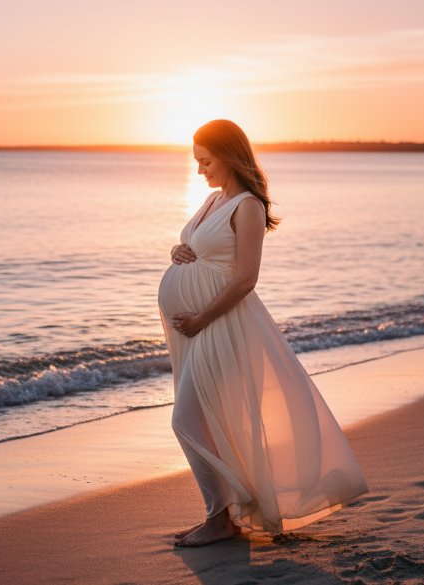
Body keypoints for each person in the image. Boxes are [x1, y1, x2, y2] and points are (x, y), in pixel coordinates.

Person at [157, 120, 368, 547]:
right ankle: (226, 512)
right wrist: (177, 251)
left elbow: (246, 278)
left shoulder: (247, 206)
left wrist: (201, 318)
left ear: (230, 157)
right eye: (197, 162)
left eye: (206, 161)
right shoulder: (213, 199)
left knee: (186, 419)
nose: (200, 170)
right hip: (196, 328)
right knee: (207, 418)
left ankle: (220, 518)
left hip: (220, 323)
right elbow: (199, 253)